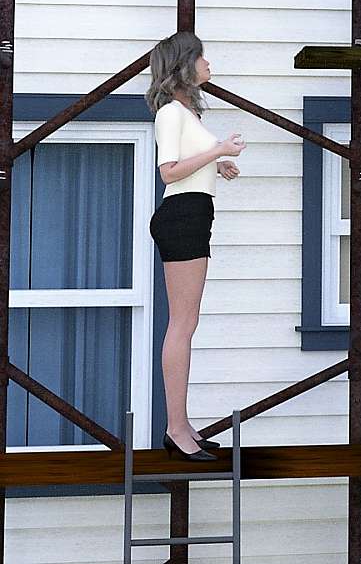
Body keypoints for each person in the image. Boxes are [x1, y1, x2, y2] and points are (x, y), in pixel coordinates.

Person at [145, 31, 245, 461]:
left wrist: (216, 163)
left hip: (193, 215)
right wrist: (218, 150)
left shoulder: (187, 114)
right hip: (182, 218)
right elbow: (168, 172)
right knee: (182, 326)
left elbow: (187, 165)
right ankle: (175, 428)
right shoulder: (170, 113)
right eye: (202, 57)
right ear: (185, 63)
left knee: (187, 324)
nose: (208, 64)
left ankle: (183, 425)